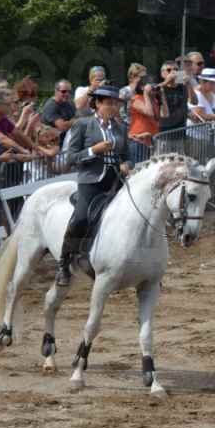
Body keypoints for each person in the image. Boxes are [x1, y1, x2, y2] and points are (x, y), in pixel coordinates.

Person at [55, 85, 128, 286]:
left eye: (115, 104)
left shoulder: (121, 127)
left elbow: (127, 156)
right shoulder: (82, 125)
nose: (113, 107)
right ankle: (64, 263)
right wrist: (94, 150)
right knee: (80, 219)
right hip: (91, 181)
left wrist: (126, 165)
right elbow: (71, 158)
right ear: (97, 103)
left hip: (116, 181)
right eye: (109, 104)